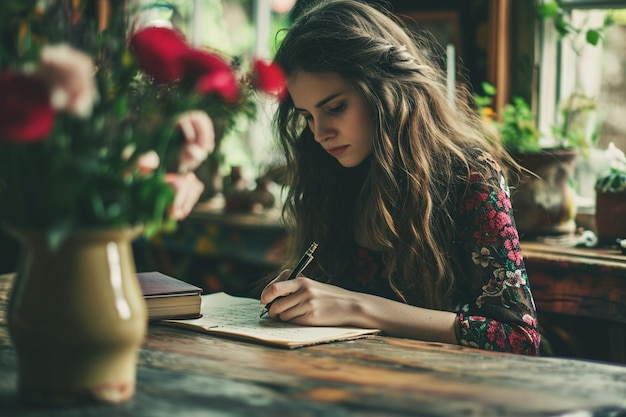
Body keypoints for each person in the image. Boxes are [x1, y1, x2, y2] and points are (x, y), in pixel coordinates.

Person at [259, 0, 541, 355]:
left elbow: (518, 338)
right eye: (307, 117)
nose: (320, 133)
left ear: (385, 91)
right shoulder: (329, 173)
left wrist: (355, 307)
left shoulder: (470, 175)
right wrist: (301, 299)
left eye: (335, 108)